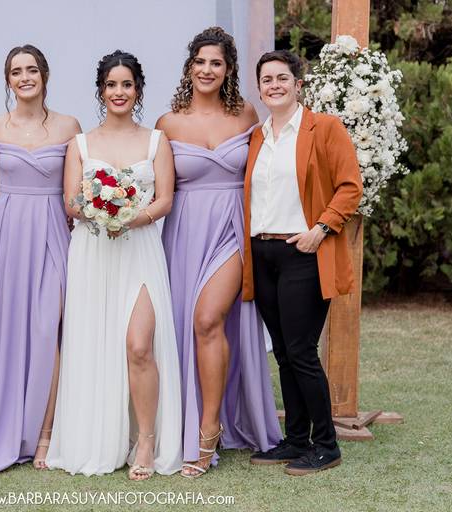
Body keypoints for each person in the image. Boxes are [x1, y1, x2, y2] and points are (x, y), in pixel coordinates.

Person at [45, 50, 183, 480]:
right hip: (93, 252)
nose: (118, 92)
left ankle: (147, 440)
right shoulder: (81, 144)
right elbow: (71, 202)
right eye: (111, 85)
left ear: (137, 90)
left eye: (126, 84)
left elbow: (165, 200)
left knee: (139, 345)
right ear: (101, 91)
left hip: (139, 249)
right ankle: (100, 438)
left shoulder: (157, 141)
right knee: (95, 346)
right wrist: (100, 210)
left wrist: (131, 217)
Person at [156, 27, 282, 478]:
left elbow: (270, 170)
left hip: (232, 230)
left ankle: (209, 428)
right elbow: (156, 185)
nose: (207, 70)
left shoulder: (245, 114)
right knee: (185, 326)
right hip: (185, 234)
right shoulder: (168, 123)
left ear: (228, 70)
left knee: (208, 319)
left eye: (216, 63)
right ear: (189, 66)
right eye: (200, 61)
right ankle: (186, 419)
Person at [0, 45, 80, 472]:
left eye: (31, 70)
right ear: (8, 80)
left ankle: (45, 434)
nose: (24, 77)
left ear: (45, 75)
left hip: (52, 230)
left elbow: (75, 184)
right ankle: (3, 423)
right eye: (16, 72)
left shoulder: (68, 125)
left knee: (48, 328)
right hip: (7, 234)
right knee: (8, 329)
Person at [243, 50, 362, 475]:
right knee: (284, 354)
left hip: (304, 253)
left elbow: (350, 186)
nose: (274, 85)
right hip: (263, 254)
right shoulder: (257, 136)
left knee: (300, 350)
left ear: (298, 84)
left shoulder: (324, 128)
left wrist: (321, 229)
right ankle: (295, 439)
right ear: (259, 89)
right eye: (267, 80)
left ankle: (326, 445)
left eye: (282, 78)